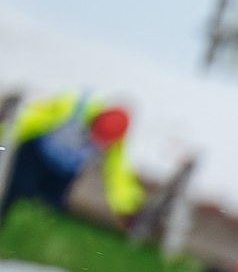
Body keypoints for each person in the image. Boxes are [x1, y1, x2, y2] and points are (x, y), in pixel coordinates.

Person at [1, 92, 145, 224]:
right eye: (97, 133)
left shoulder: (113, 144)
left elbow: (117, 174)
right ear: (98, 118)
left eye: (102, 141)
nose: (95, 140)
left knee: (50, 214)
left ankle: (28, 243)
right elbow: (31, 119)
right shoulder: (74, 107)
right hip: (35, 157)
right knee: (9, 192)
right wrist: (5, 135)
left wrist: (127, 207)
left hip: (62, 176)